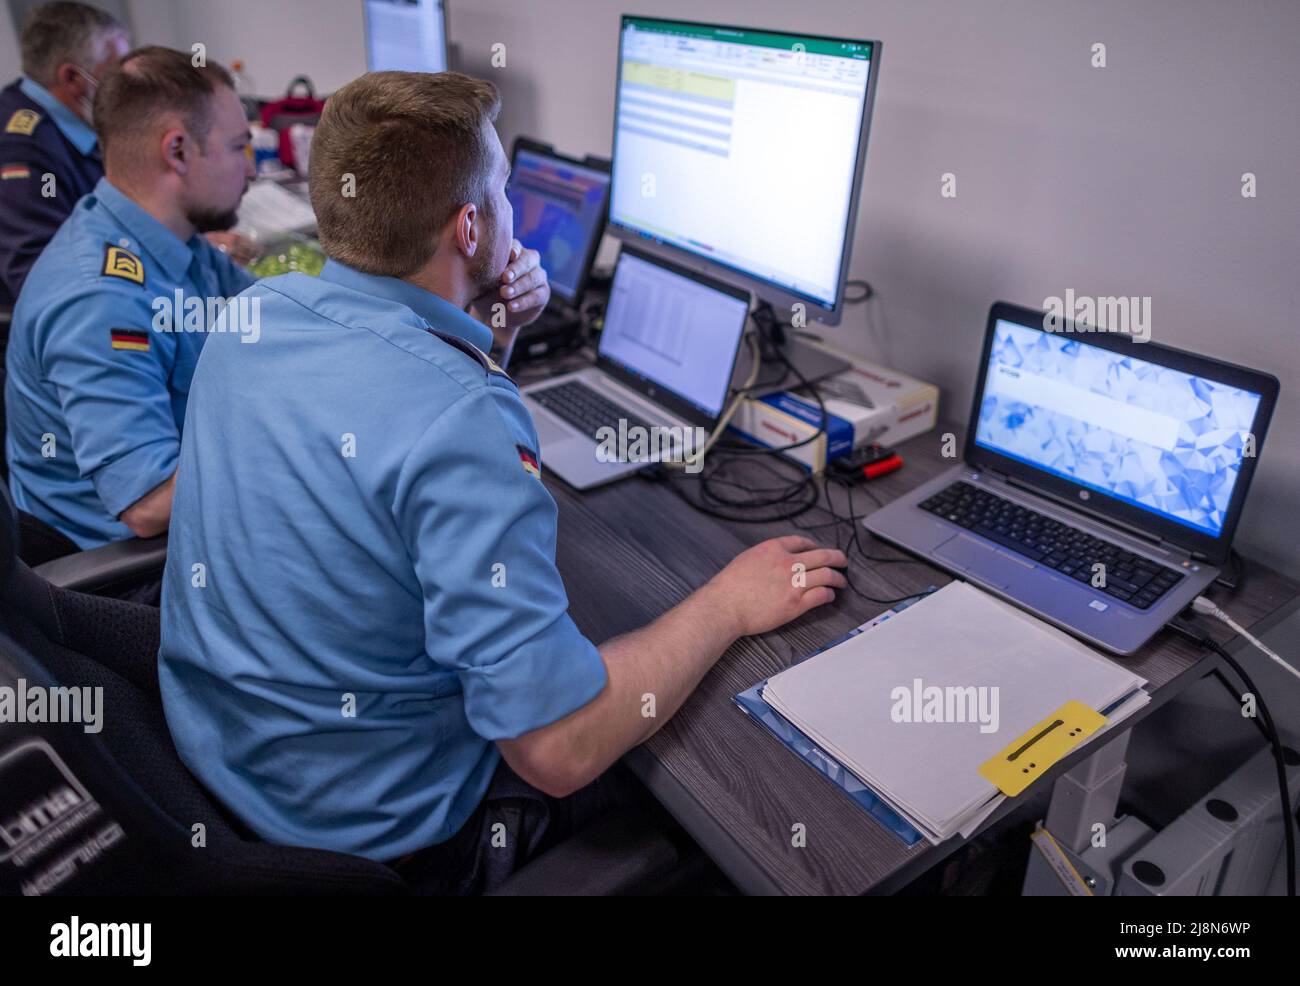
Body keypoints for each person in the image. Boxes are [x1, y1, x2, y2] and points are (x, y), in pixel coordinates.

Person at [157, 70, 847, 894]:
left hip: (231, 772)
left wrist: (494, 334)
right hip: (386, 840)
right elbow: (556, 751)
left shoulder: (252, 318)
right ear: (471, 225)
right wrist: (731, 602)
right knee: (714, 810)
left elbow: (398, 414)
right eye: (505, 192)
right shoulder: (460, 419)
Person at [5, 47, 255, 550]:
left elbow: (266, 310)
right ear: (178, 151)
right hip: (133, 570)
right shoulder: (102, 300)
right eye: (238, 147)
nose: (249, 170)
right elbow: (148, 502)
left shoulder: (166, 236)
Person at [0, 1, 129, 310]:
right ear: (73, 78)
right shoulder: (22, 151)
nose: (126, 90)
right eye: (116, 75)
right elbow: (37, 275)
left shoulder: (72, 124)